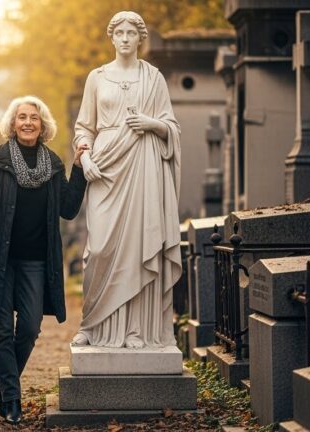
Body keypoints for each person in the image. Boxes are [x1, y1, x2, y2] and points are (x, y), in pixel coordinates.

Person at [0, 95, 88, 424]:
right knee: (2, 329)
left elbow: (69, 209)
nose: (28, 122)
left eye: (34, 117)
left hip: (35, 261)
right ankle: (12, 400)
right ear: (12, 124)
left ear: (42, 125)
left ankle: (2, 385)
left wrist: (79, 167)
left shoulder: (54, 163)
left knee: (30, 328)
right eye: (22, 117)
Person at [71, 11, 183, 349]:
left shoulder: (154, 78)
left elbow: (172, 128)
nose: (124, 38)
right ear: (111, 36)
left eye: (130, 32)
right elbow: (83, 127)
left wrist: (152, 124)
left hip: (142, 166)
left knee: (139, 247)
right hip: (104, 168)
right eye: (118, 32)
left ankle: (137, 329)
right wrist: (85, 158)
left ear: (139, 38)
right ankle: (92, 325)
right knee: (100, 248)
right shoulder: (97, 77)